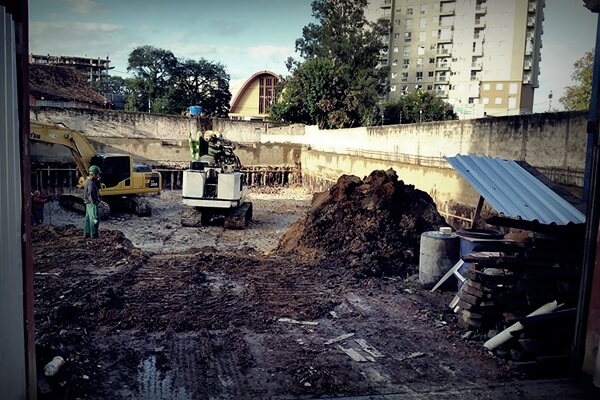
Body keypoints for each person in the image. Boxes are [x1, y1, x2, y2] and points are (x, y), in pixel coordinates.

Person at [83, 165, 102, 238]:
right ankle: (94, 235)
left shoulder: (88, 181)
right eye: (97, 174)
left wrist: (98, 181)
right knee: (95, 219)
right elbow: (91, 192)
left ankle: (87, 234)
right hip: (92, 203)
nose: (98, 175)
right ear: (93, 174)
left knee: (88, 218)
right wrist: (95, 201)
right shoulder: (91, 184)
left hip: (88, 203)